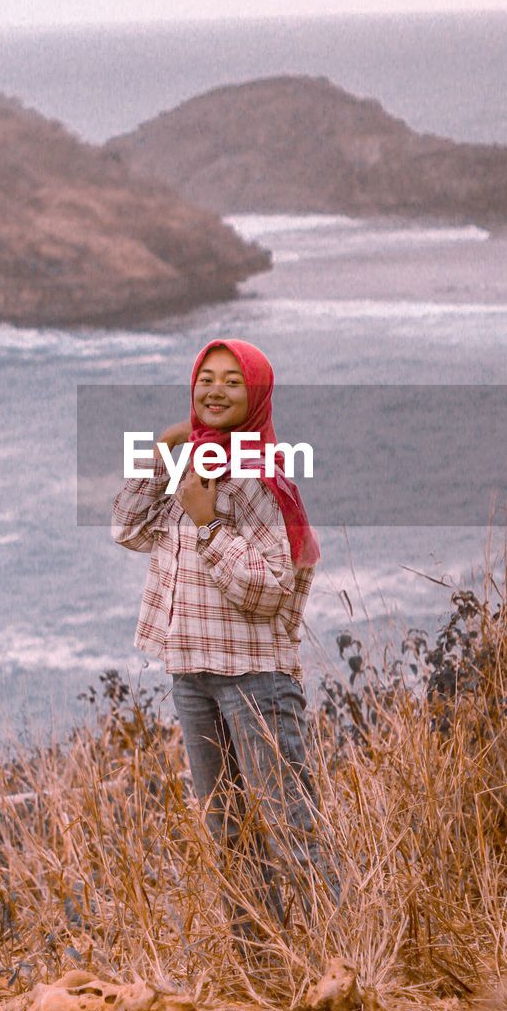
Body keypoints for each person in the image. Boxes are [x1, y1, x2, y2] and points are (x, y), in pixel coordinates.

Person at [111, 338, 330, 947]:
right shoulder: (194, 467)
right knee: (227, 828)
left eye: (233, 382)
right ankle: (255, 957)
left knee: (290, 820)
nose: (215, 390)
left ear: (257, 394)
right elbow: (127, 527)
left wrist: (209, 524)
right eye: (206, 378)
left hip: (254, 677)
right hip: (192, 675)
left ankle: (341, 958)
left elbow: (271, 594)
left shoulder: (262, 477)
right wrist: (161, 449)